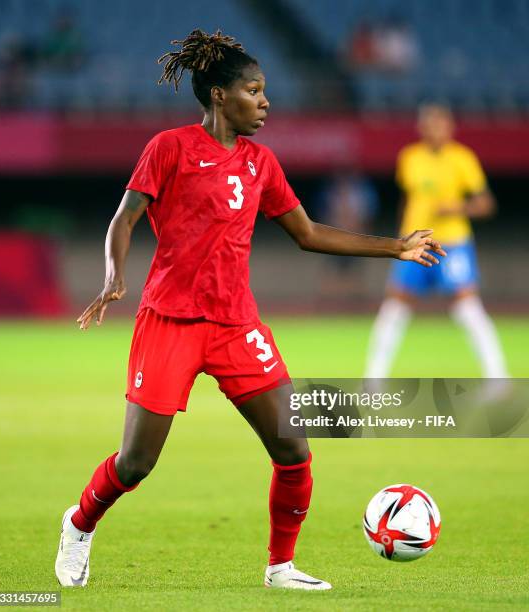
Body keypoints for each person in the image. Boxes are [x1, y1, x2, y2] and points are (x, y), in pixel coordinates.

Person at [54, 30, 445, 591]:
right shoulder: (171, 147)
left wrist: (395, 245)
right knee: (136, 463)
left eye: (265, 91)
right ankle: (79, 523)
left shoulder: (261, 163)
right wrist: (116, 277)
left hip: (237, 325)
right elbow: (124, 217)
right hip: (171, 321)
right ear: (218, 95)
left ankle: (279, 567)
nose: (265, 102)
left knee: (293, 450)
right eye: (254, 91)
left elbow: (307, 234)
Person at [365, 103, 508, 381]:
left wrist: (457, 208)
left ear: (450, 127)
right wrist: (401, 239)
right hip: (415, 244)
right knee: (395, 308)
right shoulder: (410, 157)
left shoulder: (462, 159)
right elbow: (407, 199)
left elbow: (486, 203)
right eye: (430, 124)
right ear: (422, 128)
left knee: (467, 307)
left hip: (452, 244)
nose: (435, 129)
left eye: (441, 124)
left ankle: (498, 378)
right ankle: (373, 380)